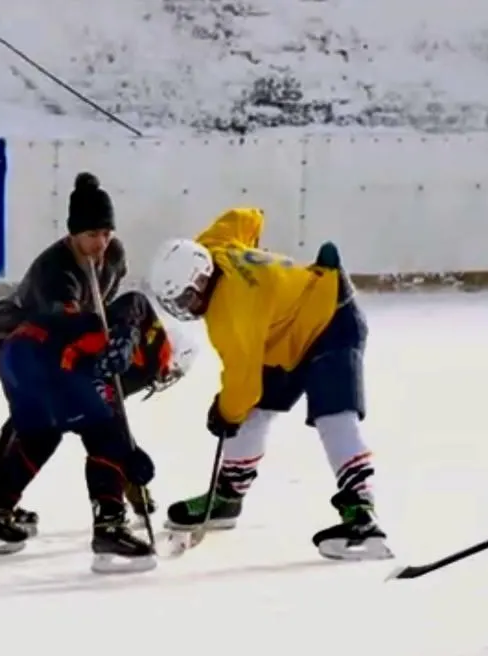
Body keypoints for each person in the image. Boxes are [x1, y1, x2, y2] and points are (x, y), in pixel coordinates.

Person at [147, 207, 393, 561]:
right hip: (287, 330)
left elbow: (243, 384)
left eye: (187, 297)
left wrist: (223, 412)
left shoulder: (230, 315)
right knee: (255, 413)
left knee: (333, 416)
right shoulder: (213, 245)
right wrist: (262, 276)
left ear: (201, 278)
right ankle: (228, 498)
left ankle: (363, 517)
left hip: (332, 318)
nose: (186, 307)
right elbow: (249, 216)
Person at [0, 171, 159, 532]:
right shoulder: (55, 271)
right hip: (16, 337)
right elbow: (69, 328)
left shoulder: (114, 256)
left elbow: (101, 311)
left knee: (99, 400)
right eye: (91, 235)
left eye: (106, 233)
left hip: (69, 335)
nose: (101, 243)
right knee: (35, 414)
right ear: (72, 233)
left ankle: (123, 478)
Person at [0, 287, 159, 574]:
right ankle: (110, 527)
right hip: (50, 359)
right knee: (103, 437)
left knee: (40, 434)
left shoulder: (111, 335)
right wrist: (128, 456)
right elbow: (135, 301)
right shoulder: (153, 353)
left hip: (16, 353)